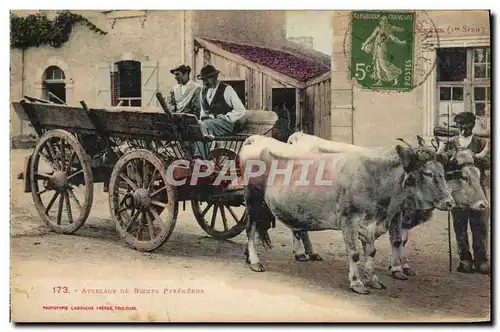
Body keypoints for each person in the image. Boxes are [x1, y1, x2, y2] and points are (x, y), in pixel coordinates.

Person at [444, 111, 490, 274]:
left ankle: (482, 260)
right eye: (460, 125)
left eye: (468, 125)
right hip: (459, 190)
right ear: (456, 126)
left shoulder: (481, 143)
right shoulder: (450, 143)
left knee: (481, 225)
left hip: (477, 189)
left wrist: (476, 159)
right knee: (460, 225)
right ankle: (465, 258)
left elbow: (489, 162)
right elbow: (444, 165)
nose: (464, 128)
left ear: (473, 124)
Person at [192, 64, 247, 159]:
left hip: (227, 124)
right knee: (196, 125)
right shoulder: (203, 91)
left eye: (207, 79)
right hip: (211, 123)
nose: (205, 82)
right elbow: (203, 111)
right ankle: (199, 155)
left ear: (215, 77)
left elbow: (240, 109)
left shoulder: (227, 89)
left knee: (205, 125)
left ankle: (200, 157)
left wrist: (226, 117)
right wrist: (204, 117)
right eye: (203, 80)